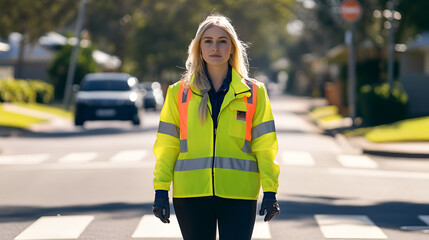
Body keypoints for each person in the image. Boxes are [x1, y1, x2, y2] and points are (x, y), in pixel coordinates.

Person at [152, 13, 280, 240]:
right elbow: (167, 146)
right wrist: (161, 190)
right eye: (208, 41)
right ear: (198, 48)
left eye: (222, 41)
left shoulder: (254, 93)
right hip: (190, 194)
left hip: (239, 194)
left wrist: (270, 191)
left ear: (232, 48)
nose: (215, 47)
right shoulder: (178, 93)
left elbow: (265, 146)